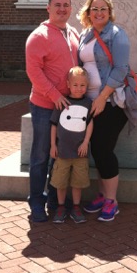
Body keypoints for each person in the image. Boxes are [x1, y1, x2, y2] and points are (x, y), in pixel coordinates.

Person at [77, 0, 137, 221]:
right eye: (95, 9)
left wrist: (102, 98)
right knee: (96, 149)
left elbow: (121, 69)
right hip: (89, 103)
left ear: (110, 12)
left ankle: (112, 200)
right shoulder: (85, 35)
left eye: (103, 9)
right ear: (88, 12)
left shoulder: (117, 35)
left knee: (104, 149)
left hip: (112, 102)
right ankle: (103, 195)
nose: (99, 12)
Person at [25, 0, 80, 223]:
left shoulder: (73, 32)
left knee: (61, 157)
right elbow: (34, 72)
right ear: (48, 8)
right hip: (45, 106)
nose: (62, 9)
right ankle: (36, 201)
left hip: (68, 107)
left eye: (66, 5)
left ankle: (53, 200)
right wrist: (54, 94)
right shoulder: (39, 36)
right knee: (40, 155)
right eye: (57, 5)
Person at [50, 66, 94, 224]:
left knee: (78, 182)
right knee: (60, 182)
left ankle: (76, 207)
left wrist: (86, 142)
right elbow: (54, 125)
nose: (79, 88)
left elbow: (89, 124)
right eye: (75, 85)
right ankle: (61, 207)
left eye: (82, 85)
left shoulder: (88, 103)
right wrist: (53, 146)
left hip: (80, 153)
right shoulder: (63, 102)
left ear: (87, 86)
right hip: (62, 152)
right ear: (68, 84)